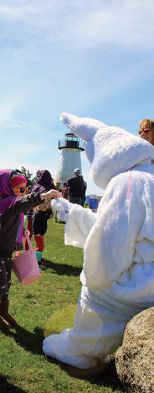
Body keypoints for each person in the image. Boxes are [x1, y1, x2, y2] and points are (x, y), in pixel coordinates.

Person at [43, 112, 154, 371]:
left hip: (137, 286)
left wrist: (93, 278)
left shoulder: (128, 181)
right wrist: (70, 210)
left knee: (97, 289)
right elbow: (112, 223)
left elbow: (110, 244)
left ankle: (81, 348)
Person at [0, 169, 60, 330]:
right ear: (7, 187)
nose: (22, 192)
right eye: (19, 188)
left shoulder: (11, 201)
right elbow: (22, 203)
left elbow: (14, 220)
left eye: (24, 188)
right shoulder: (6, 203)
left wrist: (22, 232)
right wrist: (44, 195)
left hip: (6, 251)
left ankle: (2, 312)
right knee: (1, 285)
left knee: (7, 284)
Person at [26, 170, 53, 264]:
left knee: (31, 233)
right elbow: (46, 203)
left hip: (32, 212)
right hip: (38, 213)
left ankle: (31, 254)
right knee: (37, 234)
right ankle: (34, 256)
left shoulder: (35, 186)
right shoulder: (46, 188)